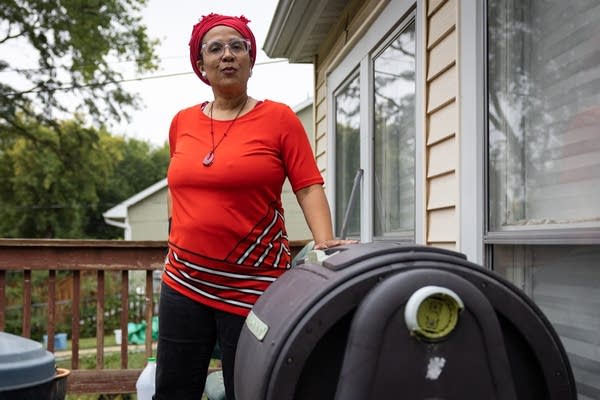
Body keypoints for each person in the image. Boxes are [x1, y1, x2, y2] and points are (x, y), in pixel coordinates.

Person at [154, 13, 356, 400]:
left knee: (250, 390)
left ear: (251, 59)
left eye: (237, 46)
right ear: (202, 66)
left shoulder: (279, 119)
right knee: (173, 390)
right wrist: (172, 235)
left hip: (254, 287)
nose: (226, 55)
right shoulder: (181, 122)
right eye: (215, 48)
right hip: (184, 283)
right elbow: (177, 185)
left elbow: (308, 186)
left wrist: (325, 242)